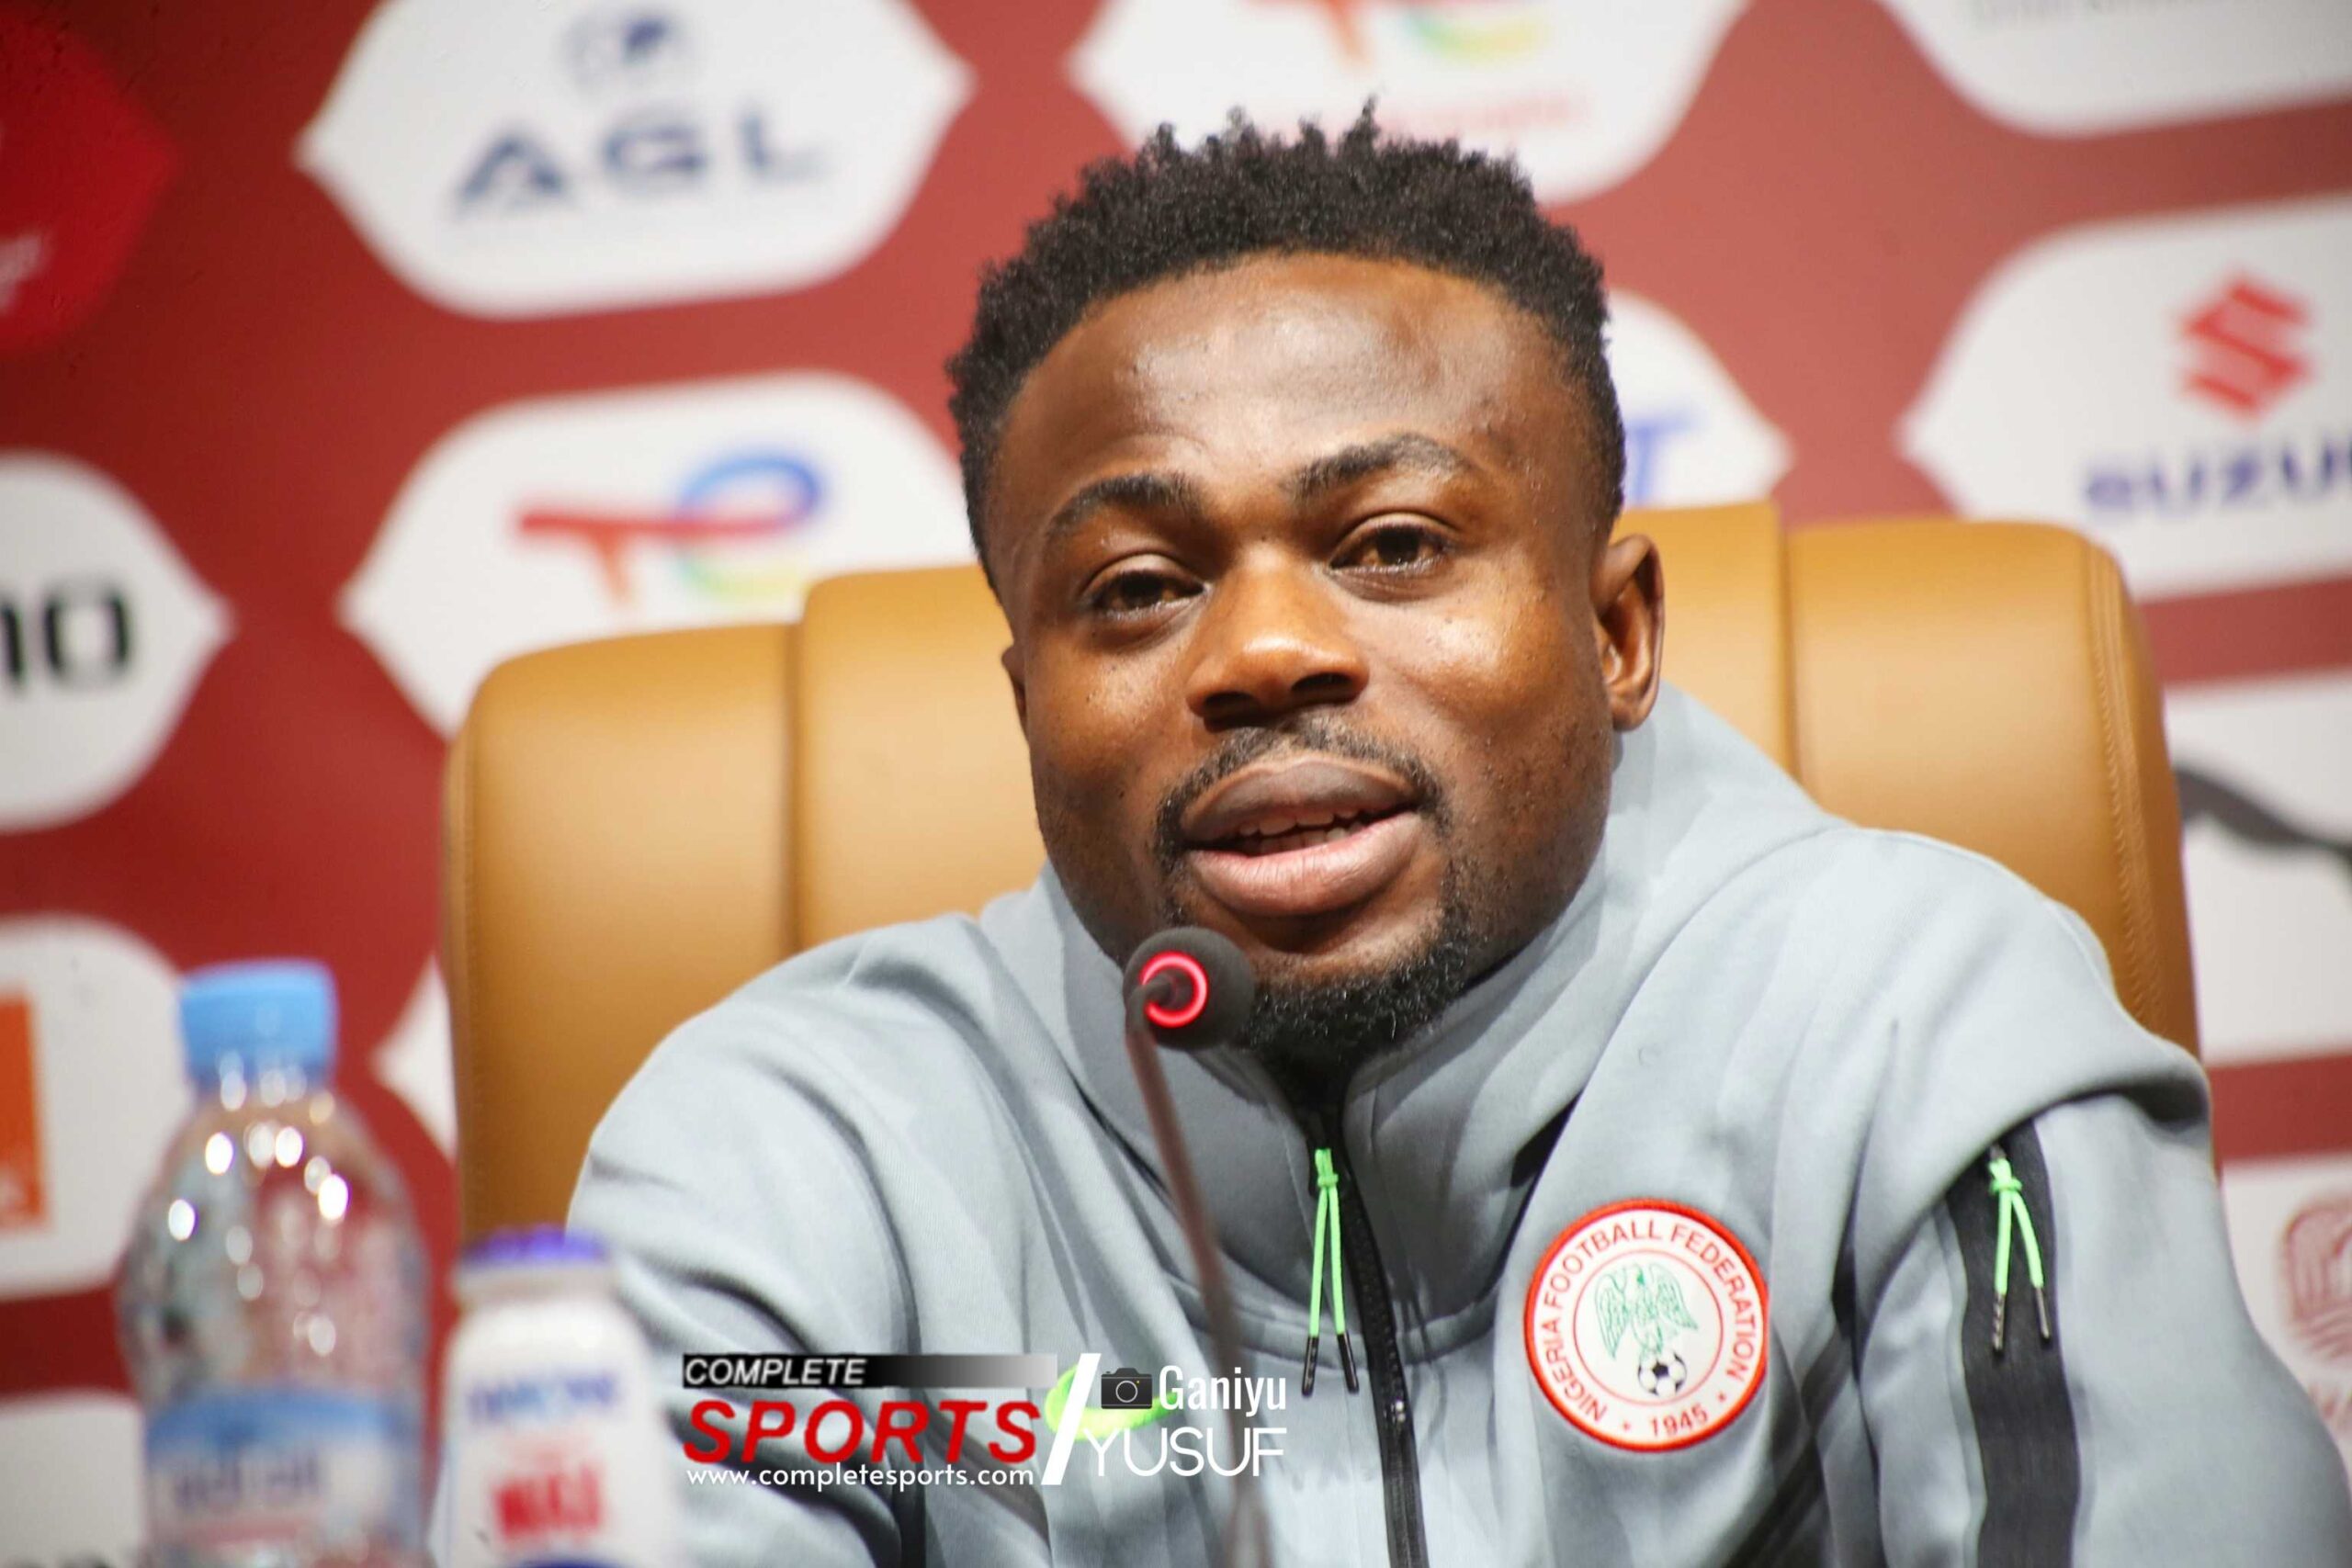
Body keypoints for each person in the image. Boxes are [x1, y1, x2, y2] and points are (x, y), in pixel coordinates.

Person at [568, 111, 2352, 1564]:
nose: (1266, 652)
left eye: (1395, 544)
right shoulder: (790, 1152)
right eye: (1134, 585)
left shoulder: (1919, 1033)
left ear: (1616, 631)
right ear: (1027, 696)